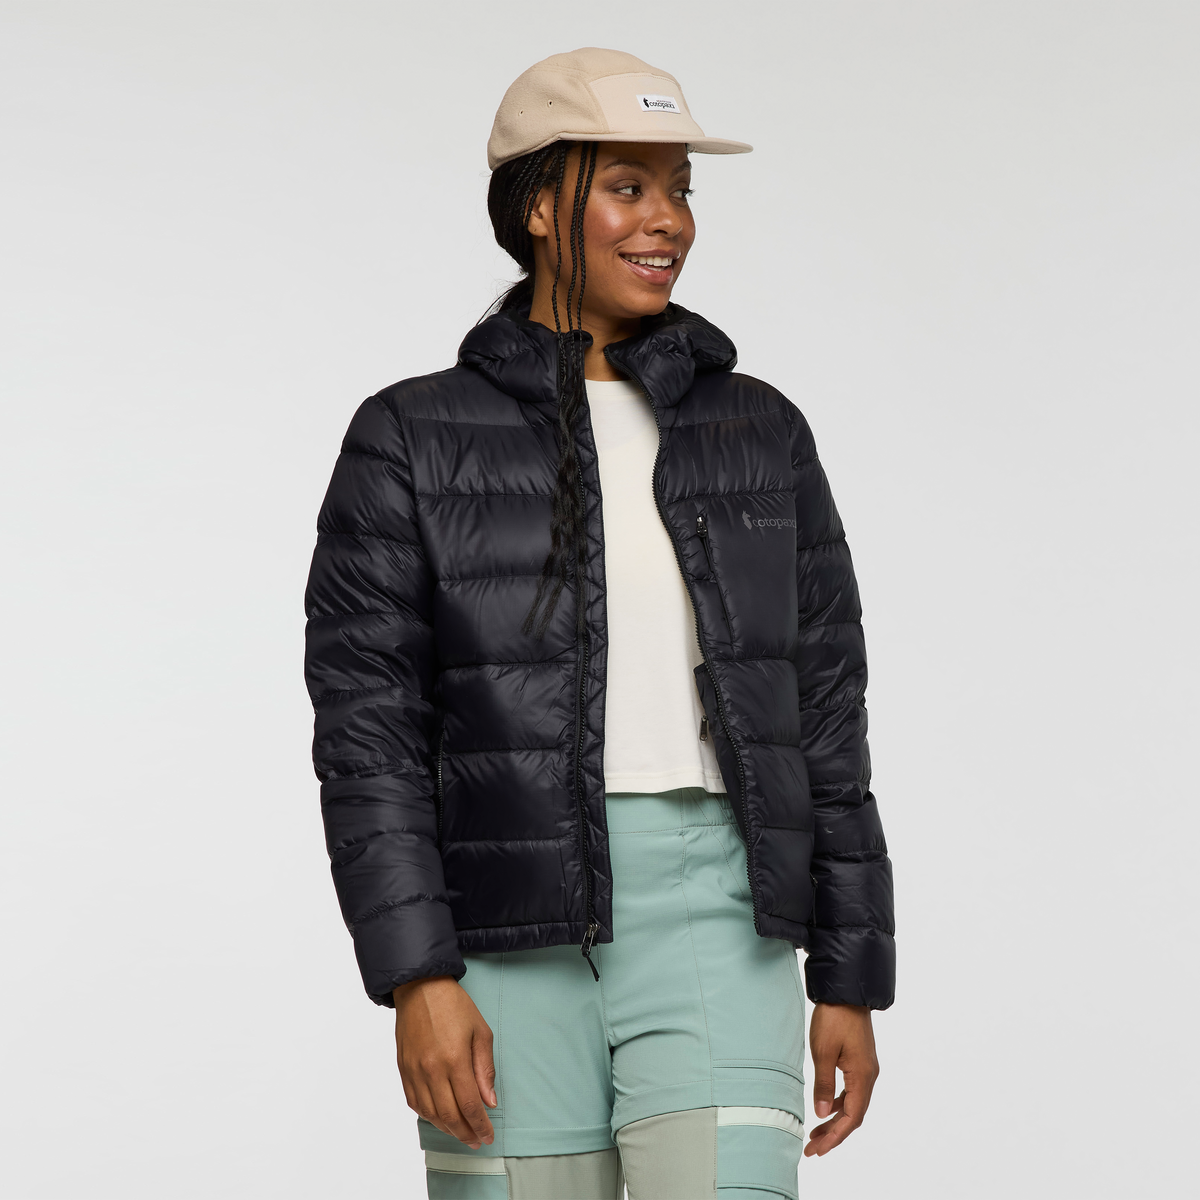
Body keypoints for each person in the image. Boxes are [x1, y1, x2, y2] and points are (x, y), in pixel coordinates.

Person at [304, 47, 895, 1200]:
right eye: (628, 186)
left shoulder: (759, 433)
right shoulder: (410, 437)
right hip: (500, 934)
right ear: (539, 207)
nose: (667, 219)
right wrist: (416, 975)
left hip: (720, 916)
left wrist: (850, 971)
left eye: (679, 189)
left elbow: (827, 709)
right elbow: (368, 733)